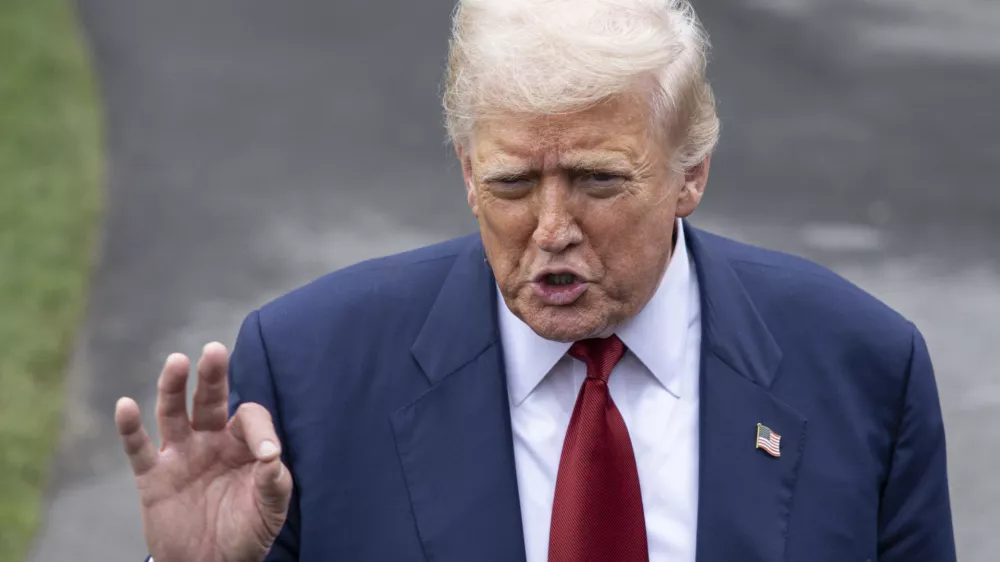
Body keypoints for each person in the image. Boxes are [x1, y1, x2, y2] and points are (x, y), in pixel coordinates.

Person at [115, 0, 956, 561]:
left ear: (690, 172)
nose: (552, 231)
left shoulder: (864, 367)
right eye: (514, 185)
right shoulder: (308, 372)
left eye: (598, 181)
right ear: (467, 173)